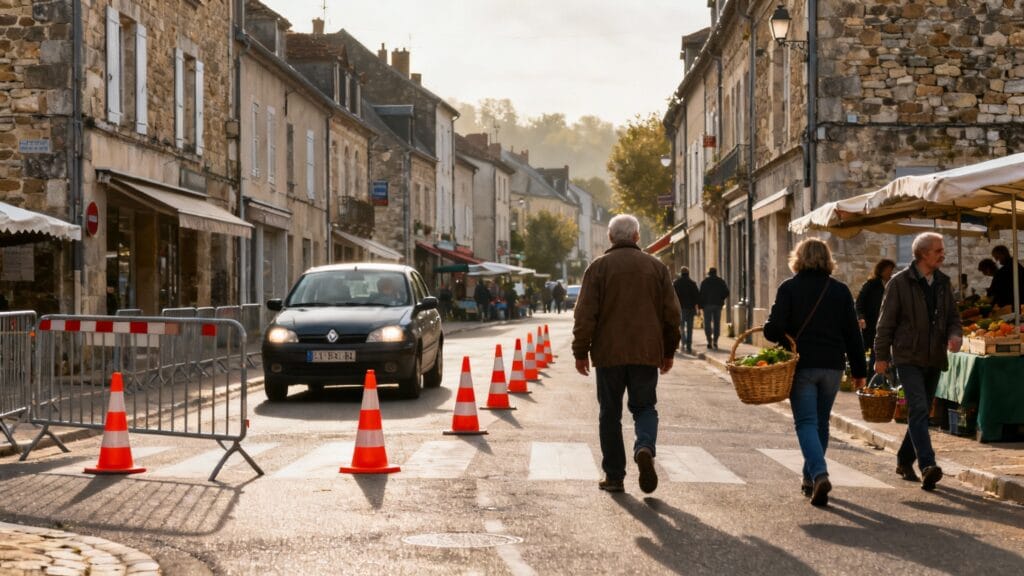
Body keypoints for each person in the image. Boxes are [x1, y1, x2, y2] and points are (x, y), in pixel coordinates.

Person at [572, 214, 681, 495]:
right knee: (644, 407)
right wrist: (668, 351)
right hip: (646, 352)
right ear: (636, 237)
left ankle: (614, 476)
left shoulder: (598, 268)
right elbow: (672, 315)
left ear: (610, 238)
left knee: (610, 413)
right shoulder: (656, 268)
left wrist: (580, 351)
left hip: (608, 354)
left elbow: (585, 314)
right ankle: (644, 446)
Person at [764, 238, 867, 507]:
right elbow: (852, 334)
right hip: (832, 366)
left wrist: (772, 329)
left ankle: (819, 473)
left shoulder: (789, 288)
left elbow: (774, 329)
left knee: (806, 423)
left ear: (798, 258)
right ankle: (810, 478)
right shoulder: (840, 290)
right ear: (827, 259)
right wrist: (859, 370)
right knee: (821, 423)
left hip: (802, 365)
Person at [874, 232, 962, 492]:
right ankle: (927, 465)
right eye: (938, 250)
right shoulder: (900, 283)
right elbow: (885, 322)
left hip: (934, 356)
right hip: (907, 356)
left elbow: (953, 318)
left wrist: (955, 334)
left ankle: (903, 459)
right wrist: (880, 356)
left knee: (919, 412)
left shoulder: (944, 283)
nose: (943, 254)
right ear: (923, 254)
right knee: (920, 408)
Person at [855, 258, 896, 372]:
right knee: (875, 352)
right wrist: (861, 317)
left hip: (887, 325)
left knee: (883, 353)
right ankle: (871, 380)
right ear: (881, 270)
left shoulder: (893, 284)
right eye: (888, 270)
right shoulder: (871, 285)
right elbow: (859, 303)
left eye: (891, 270)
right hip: (872, 325)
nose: (890, 272)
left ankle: (882, 380)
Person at [698, 267, 729, 350]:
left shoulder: (705, 282)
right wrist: (721, 298)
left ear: (709, 273)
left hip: (707, 305)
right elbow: (726, 292)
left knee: (707, 323)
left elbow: (701, 295)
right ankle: (715, 341)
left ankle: (709, 341)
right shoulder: (720, 281)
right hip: (717, 305)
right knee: (717, 323)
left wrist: (700, 306)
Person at [673, 266, 700, 354]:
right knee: (689, 328)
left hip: (680, 309)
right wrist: (697, 307)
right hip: (690, 309)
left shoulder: (676, 283)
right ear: (688, 273)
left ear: (681, 273)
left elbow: (673, 296)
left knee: (681, 327)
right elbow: (697, 296)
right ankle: (688, 345)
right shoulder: (692, 283)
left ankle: (683, 343)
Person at [989, 245, 1024, 309]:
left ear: (1002, 255)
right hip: (1017, 301)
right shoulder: (1016, 265)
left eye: (997, 257)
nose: (997, 261)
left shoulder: (1006, 270)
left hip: (1011, 303)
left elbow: (996, 289)